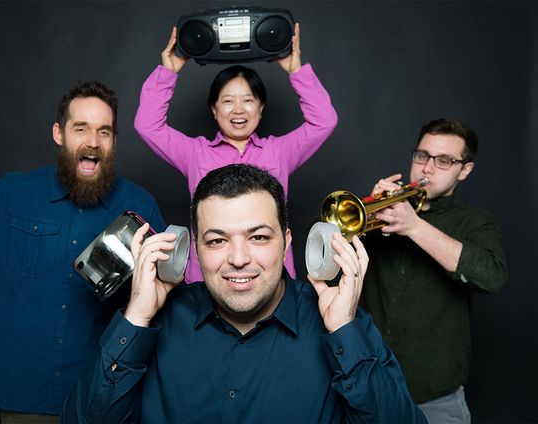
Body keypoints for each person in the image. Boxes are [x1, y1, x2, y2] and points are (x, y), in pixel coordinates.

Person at [61, 164, 425, 423]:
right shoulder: (153, 318)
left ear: (287, 244)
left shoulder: (343, 322)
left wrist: (344, 331)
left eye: (259, 237)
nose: (238, 259)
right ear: (194, 251)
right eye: (217, 240)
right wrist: (136, 318)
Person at [0, 81, 165, 422]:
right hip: (25, 397)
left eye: (104, 131)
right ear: (59, 133)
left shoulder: (140, 207)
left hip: (105, 397)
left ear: (114, 140)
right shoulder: (12, 194)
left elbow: (163, 299)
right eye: (80, 129)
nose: (93, 142)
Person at [134, 23, 338, 283]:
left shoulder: (279, 151)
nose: (238, 110)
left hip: (271, 279)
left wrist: (296, 71)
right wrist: (168, 71)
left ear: (261, 108)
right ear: (214, 109)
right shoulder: (195, 153)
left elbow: (324, 121)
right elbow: (147, 124)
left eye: (248, 100)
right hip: (208, 281)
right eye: (228, 101)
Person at [360, 118, 507, 423]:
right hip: (369, 386)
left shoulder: (476, 222)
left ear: (464, 170)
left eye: (443, 161)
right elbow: (324, 266)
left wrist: (414, 226)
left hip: (434, 397)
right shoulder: (382, 211)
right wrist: (367, 211)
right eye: (422, 155)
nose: (427, 168)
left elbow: (491, 277)